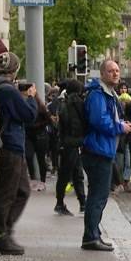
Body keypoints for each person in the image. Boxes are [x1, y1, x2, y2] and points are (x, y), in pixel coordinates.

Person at [81, 60, 131, 251]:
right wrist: (121, 127)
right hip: (98, 150)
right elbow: (99, 121)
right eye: (111, 71)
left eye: (117, 70)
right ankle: (91, 237)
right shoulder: (98, 94)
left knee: (99, 195)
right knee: (98, 195)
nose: (115, 74)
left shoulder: (108, 94)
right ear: (102, 74)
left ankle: (94, 234)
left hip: (103, 149)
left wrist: (122, 124)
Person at [0, 52, 38, 255]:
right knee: (6, 193)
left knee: (22, 190)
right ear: (15, 69)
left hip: (10, 143)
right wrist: (31, 98)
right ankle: (0, 237)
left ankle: (5, 232)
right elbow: (29, 115)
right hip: (9, 144)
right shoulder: (7, 90)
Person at [55, 79, 87, 216]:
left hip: (65, 142)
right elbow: (84, 121)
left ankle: (64, 202)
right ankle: (80, 204)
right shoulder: (78, 103)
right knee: (75, 174)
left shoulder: (63, 103)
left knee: (68, 174)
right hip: (75, 141)